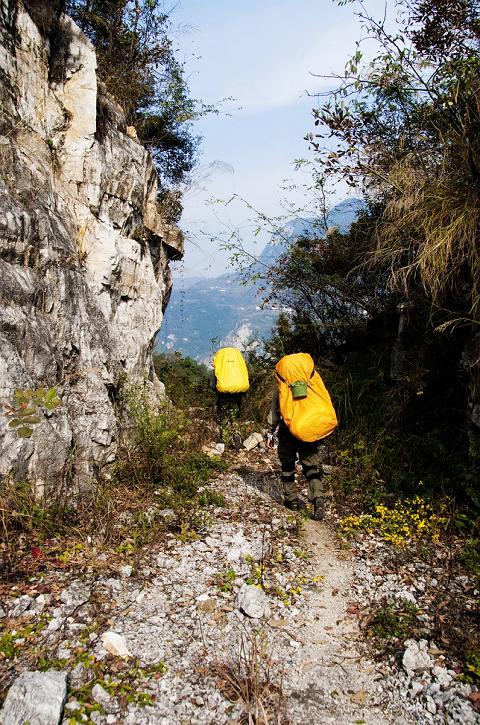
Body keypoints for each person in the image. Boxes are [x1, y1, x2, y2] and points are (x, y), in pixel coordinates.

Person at [268, 352, 338, 521]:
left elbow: (274, 413)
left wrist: (270, 429)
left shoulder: (283, 387)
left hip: (288, 431)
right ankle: (318, 498)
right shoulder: (312, 383)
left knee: (287, 465)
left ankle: (291, 501)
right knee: (310, 466)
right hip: (307, 429)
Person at [210, 347, 249, 445]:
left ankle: (225, 440)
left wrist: (215, 389)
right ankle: (237, 435)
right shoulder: (239, 366)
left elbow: (212, 384)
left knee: (224, 417)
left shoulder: (220, 366)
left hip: (223, 395)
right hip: (237, 394)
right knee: (235, 416)